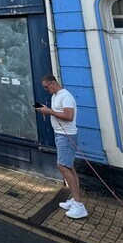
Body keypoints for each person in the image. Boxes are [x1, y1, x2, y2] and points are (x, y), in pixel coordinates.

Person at [36, 74, 88, 220]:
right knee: (69, 166)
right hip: (60, 134)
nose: (46, 90)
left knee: (62, 166)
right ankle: (75, 199)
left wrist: (50, 111)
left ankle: (79, 205)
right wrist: (46, 109)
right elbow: (58, 113)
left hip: (66, 136)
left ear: (53, 83)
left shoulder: (66, 96)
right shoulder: (55, 96)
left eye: (46, 87)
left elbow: (69, 116)